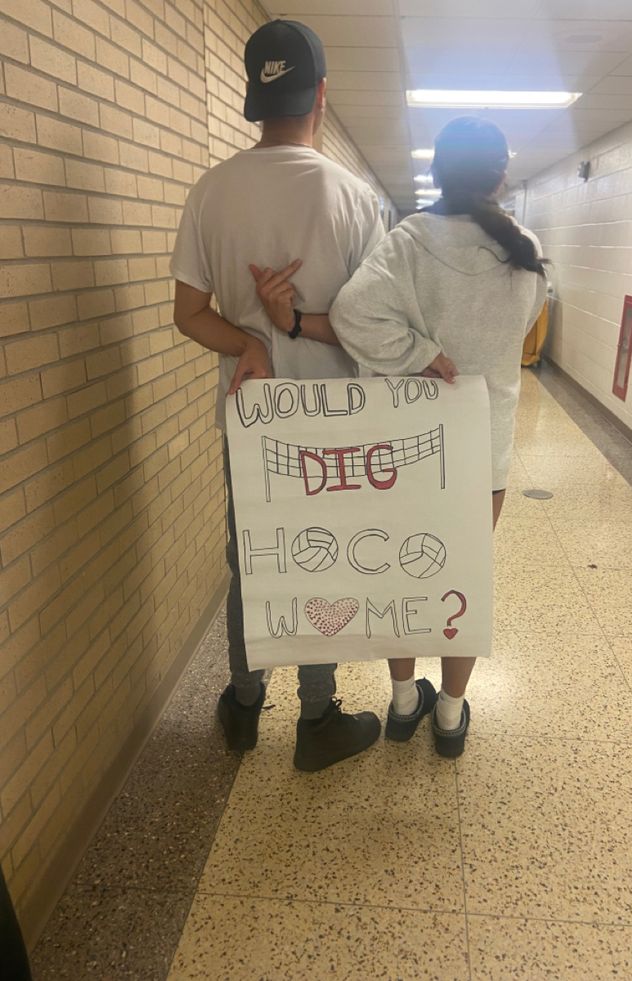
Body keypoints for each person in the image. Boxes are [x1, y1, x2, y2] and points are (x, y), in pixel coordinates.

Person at [254, 117, 547, 758]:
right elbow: (521, 328)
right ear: (502, 176)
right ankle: (449, 715)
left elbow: (357, 314)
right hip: (484, 445)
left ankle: (404, 700)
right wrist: (451, 350)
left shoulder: (409, 241)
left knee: (400, 571)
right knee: (463, 578)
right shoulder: (524, 248)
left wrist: (418, 352)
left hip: (412, 438)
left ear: (436, 172)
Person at [170, 19, 385, 771]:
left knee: (252, 556)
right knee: (320, 559)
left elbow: (188, 313)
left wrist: (252, 340)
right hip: (331, 419)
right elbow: (369, 335)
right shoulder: (357, 200)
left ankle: (243, 701)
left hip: (249, 414)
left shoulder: (210, 192)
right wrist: (293, 322)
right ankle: (318, 718)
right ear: (320, 94)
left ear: (253, 99)